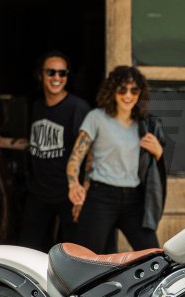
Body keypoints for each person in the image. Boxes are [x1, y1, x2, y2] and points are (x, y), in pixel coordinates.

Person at [66, 65, 167, 253]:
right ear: (112, 90)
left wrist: (158, 151)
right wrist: (74, 185)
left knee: (153, 255)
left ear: (140, 93)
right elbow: (76, 158)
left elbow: (159, 164)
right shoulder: (96, 117)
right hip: (101, 196)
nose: (128, 95)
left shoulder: (145, 124)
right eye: (122, 89)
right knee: (87, 257)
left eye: (134, 90)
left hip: (134, 199)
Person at [11, 50, 90, 250]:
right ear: (41, 75)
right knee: (27, 249)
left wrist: (83, 191)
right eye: (51, 72)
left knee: (72, 253)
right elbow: (34, 142)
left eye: (62, 73)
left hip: (68, 194)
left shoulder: (77, 108)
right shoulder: (37, 105)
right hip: (38, 192)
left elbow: (91, 154)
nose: (57, 78)